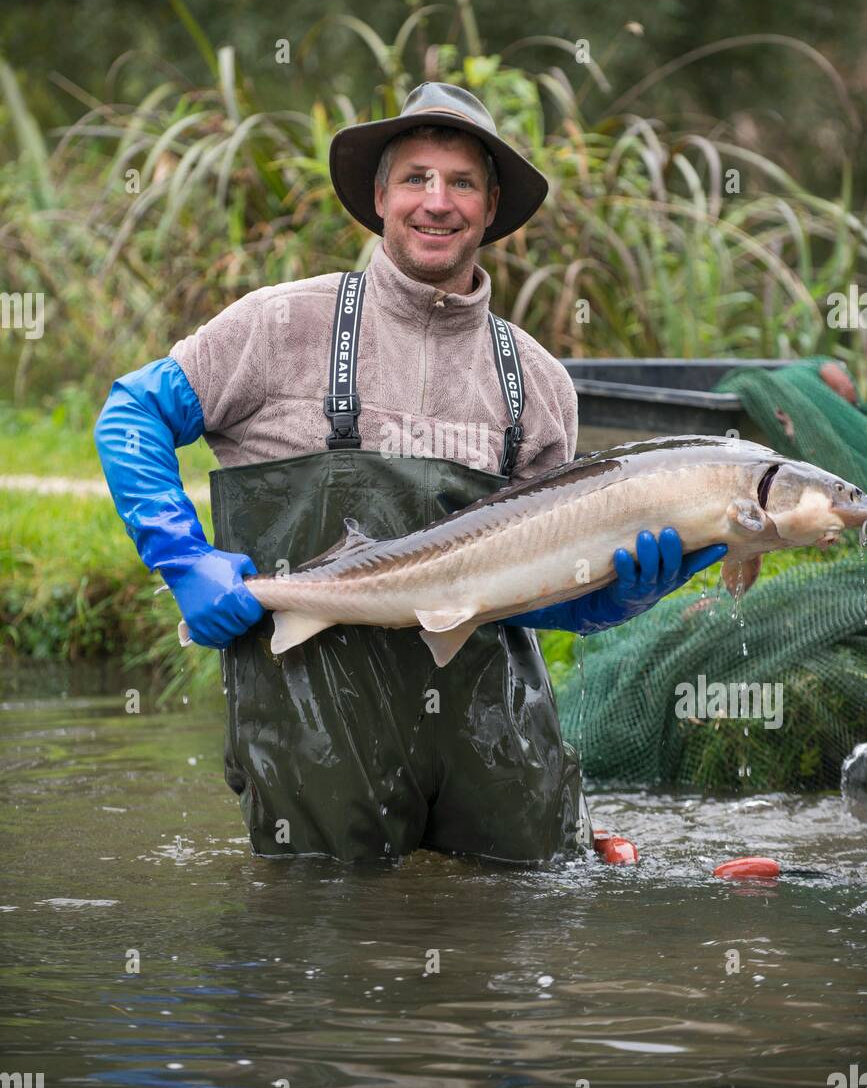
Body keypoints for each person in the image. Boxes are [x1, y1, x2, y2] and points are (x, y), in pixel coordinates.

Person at [94, 82, 726, 863]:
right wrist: (181, 556)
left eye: (461, 182)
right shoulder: (279, 324)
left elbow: (526, 595)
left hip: (493, 739)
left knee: (510, 943)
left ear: (490, 207)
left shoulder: (538, 381)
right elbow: (131, 416)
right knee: (322, 950)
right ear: (379, 196)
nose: (438, 202)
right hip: (314, 726)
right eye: (416, 178)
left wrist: (611, 598)